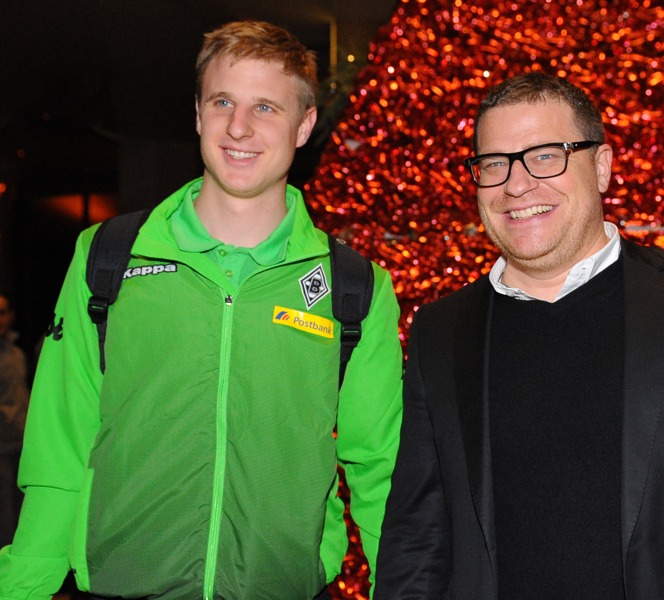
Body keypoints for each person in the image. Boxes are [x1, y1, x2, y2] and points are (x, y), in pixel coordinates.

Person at [377, 72, 664, 599]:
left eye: (546, 155)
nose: (517, 184)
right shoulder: (441, 330)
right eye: (494, 163)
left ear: (601, 167)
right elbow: (416, 537)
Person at [0, 21, 402, 599]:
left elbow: (380, 470)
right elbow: (59, 447)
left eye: (266, 106)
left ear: (305, 125)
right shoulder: (107, 258)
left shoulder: (354, 288)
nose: (239, 127)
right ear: (197, 113)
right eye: (222, 102)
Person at [0, 293, 29, 548]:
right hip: (2, 447)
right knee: (4, 516)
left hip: (22, 443)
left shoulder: (16, 353)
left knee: (21, 510)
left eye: (3, 312)